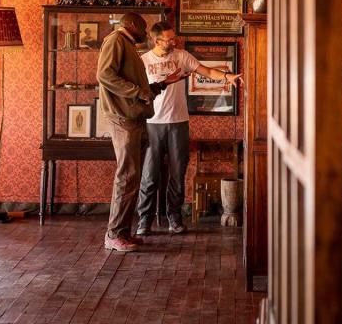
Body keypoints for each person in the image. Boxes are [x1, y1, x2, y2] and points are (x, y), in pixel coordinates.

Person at [136, 21, 243, 235]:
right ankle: (144, 221)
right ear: (157, 41)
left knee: (178, 173)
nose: (173, 42)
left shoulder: (182, 56)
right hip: (151, 125)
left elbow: (206, 71)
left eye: (173, 37)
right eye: (168, 39)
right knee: (149, 176)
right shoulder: (143, 61)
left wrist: (227, 76)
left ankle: (174, 218)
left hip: (178, 124)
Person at [96, 13, 181, 252]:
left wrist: (162, 84)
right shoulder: (115, 41)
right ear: (131, 25)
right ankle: (113, 234)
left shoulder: (127, 45)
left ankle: (122, 232)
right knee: (127, 176)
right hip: (123, 119)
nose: (146, 33)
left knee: (132, 177)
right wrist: (138, 92)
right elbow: (104, 75)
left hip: (133, 118)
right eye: (143, 28)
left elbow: (136, 85)